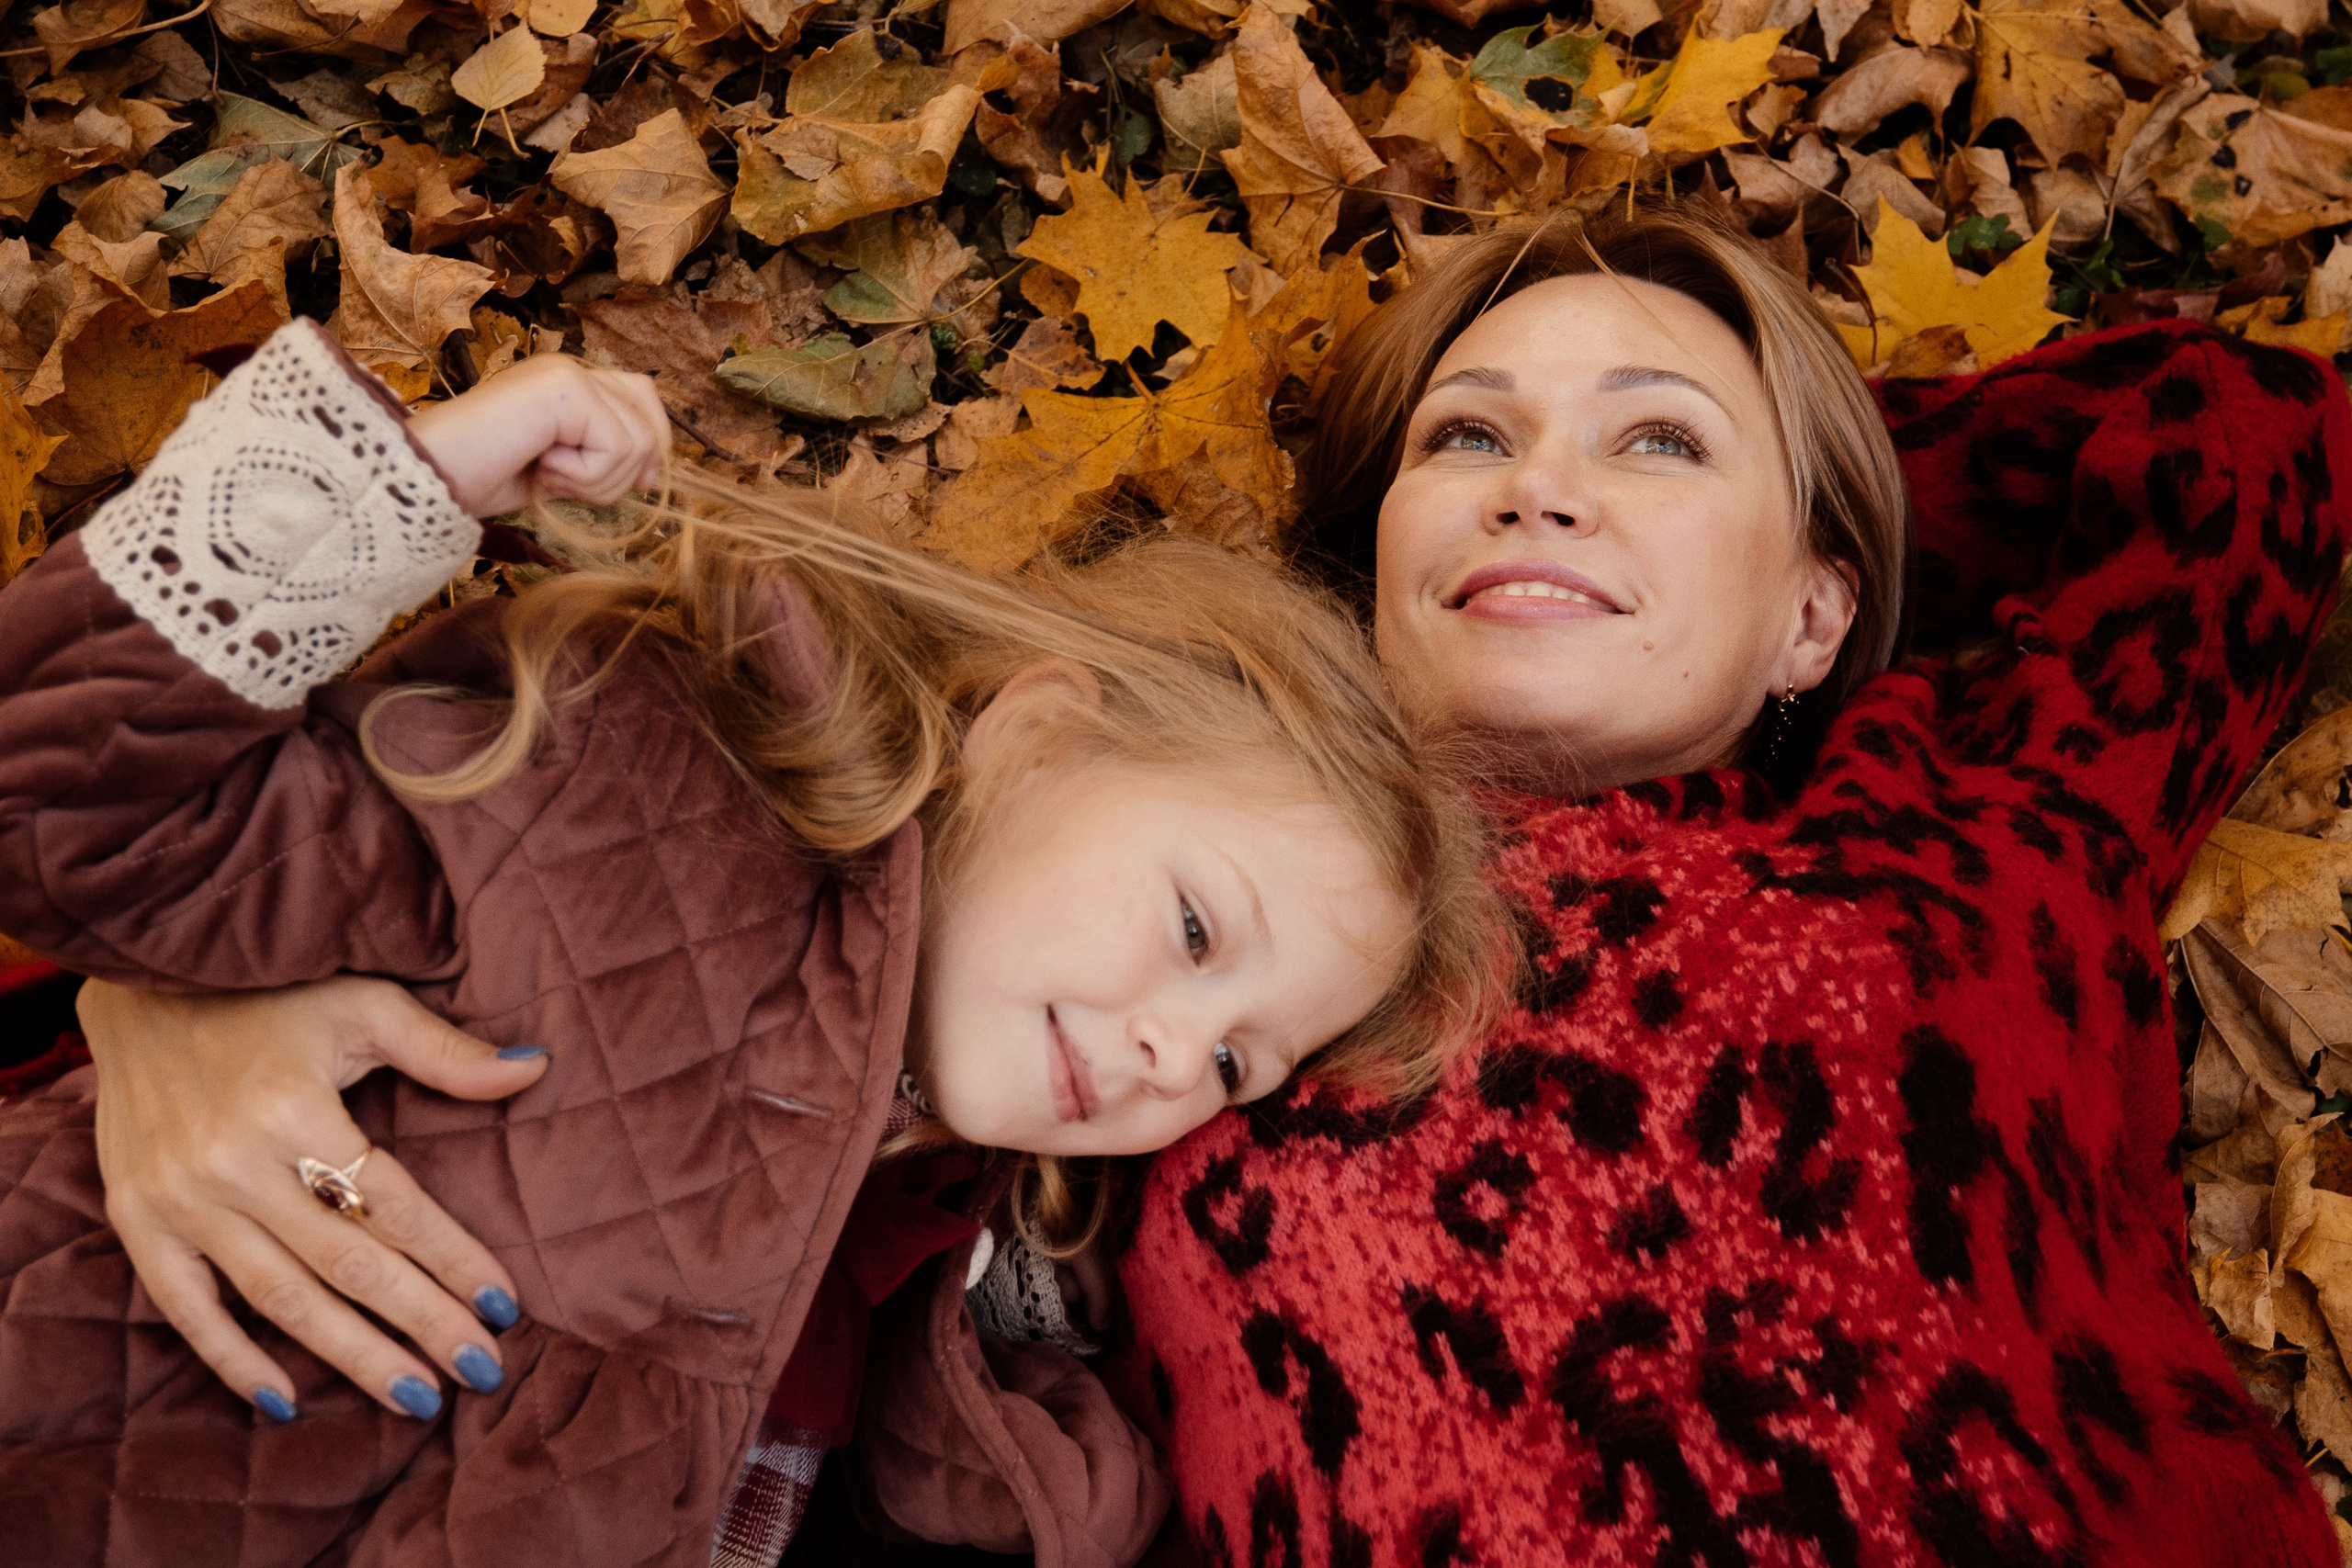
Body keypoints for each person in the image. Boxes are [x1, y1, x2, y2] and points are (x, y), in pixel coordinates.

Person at [41, 203, 2352, 1563]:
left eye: (1652, 441)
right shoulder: (1168, 931)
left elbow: (2244, 446)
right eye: (1466, 438)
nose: (1541, 484)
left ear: (1830, 609)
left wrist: (1797, 516)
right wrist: (153, 1002)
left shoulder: (1968, 822)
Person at [0, 318, 1501, 1566]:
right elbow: (61, 811)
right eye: (1192, 927)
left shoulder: (930, 1240)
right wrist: (394, 481)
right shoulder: (626, 791)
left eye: (1241, 1060)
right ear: (1038, 738)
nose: (1183, 1051)